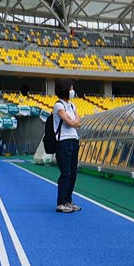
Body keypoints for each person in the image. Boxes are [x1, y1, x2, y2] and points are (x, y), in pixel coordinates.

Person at [53, 78, 83, 213]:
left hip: (74, 140)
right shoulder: (59, 105)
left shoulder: (72, 105)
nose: (72, 91)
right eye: (71, 88)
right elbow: (70, 122)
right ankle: (61, 202)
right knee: (66, 173)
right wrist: (74, 122)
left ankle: (68, 201)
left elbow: (78, 121)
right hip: (63, 142)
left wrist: (74, 122)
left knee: (73, 173)